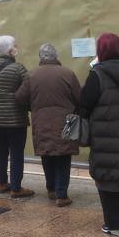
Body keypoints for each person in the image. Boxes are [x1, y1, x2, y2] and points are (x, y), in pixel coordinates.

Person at [80, 33, 119, 237]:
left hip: (105, 135)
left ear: (101, 51)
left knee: (107, 178)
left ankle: (118, 226)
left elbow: (83, 105)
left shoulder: (97, 75)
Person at [21, 43, 81, 207]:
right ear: (56, 56)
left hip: (41, 121)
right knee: (63, 157)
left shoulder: (31, 75)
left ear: (40, 57)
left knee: (46, 154)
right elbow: (79, 98)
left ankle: (51, 189)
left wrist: (33, 107)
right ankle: (62, 195)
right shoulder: (68, 73)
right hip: (65, 122)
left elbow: (20, 98)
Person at [0, 35, 34, 199]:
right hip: (15, 119)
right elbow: (27, 93)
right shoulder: (19, 69)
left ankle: (3, 183)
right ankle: (16, 187)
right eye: (15, 46)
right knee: (16, 152)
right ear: (11, 50)